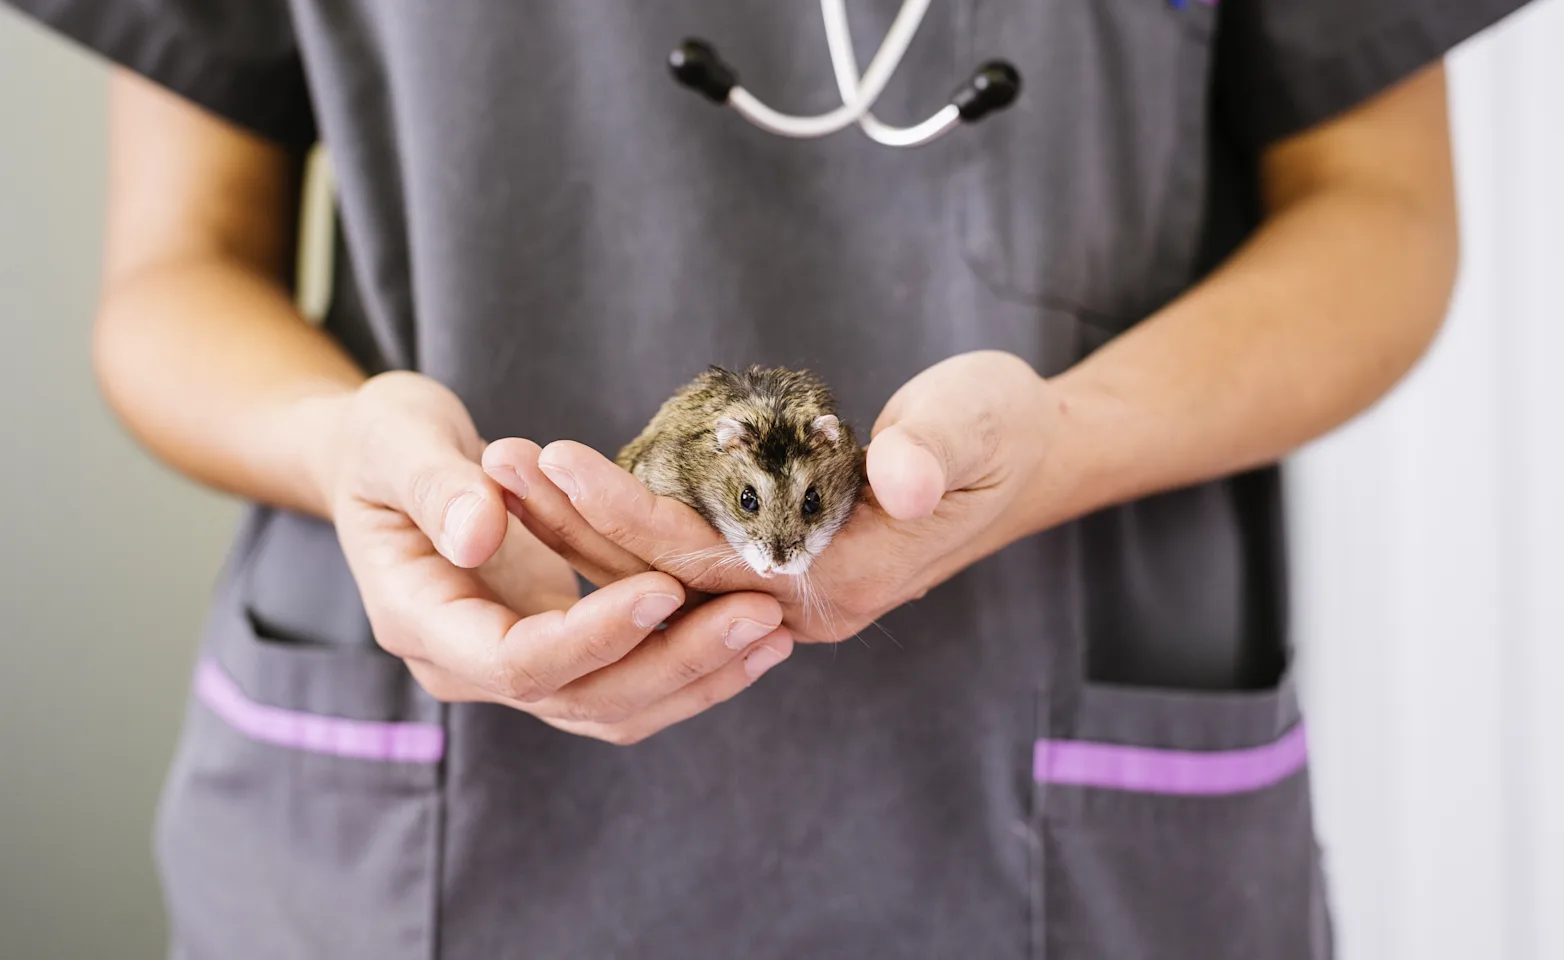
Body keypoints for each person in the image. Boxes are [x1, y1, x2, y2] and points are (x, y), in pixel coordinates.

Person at [4, 1, 1535, 957]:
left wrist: (1068, 438)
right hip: (425, 824)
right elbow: (170, 274)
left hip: (1064, 814)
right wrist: (350, 449)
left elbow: (1381, 218)